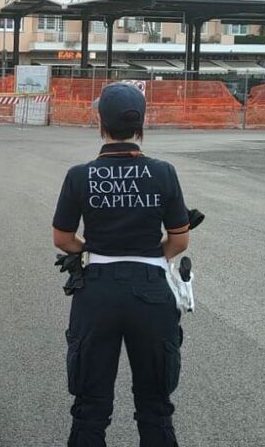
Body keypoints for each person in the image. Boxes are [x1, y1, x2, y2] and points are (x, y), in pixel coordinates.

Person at [52, 83, 191, 447]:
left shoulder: (79, 175)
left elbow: (63, 238)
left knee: (90, 407)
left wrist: (91, 250)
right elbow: (179, 240)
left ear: (101, 124)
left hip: (97, 289)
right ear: (141, 126)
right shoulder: (163, 172)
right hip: (151, 291)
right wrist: (148, 257)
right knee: (155, 406)